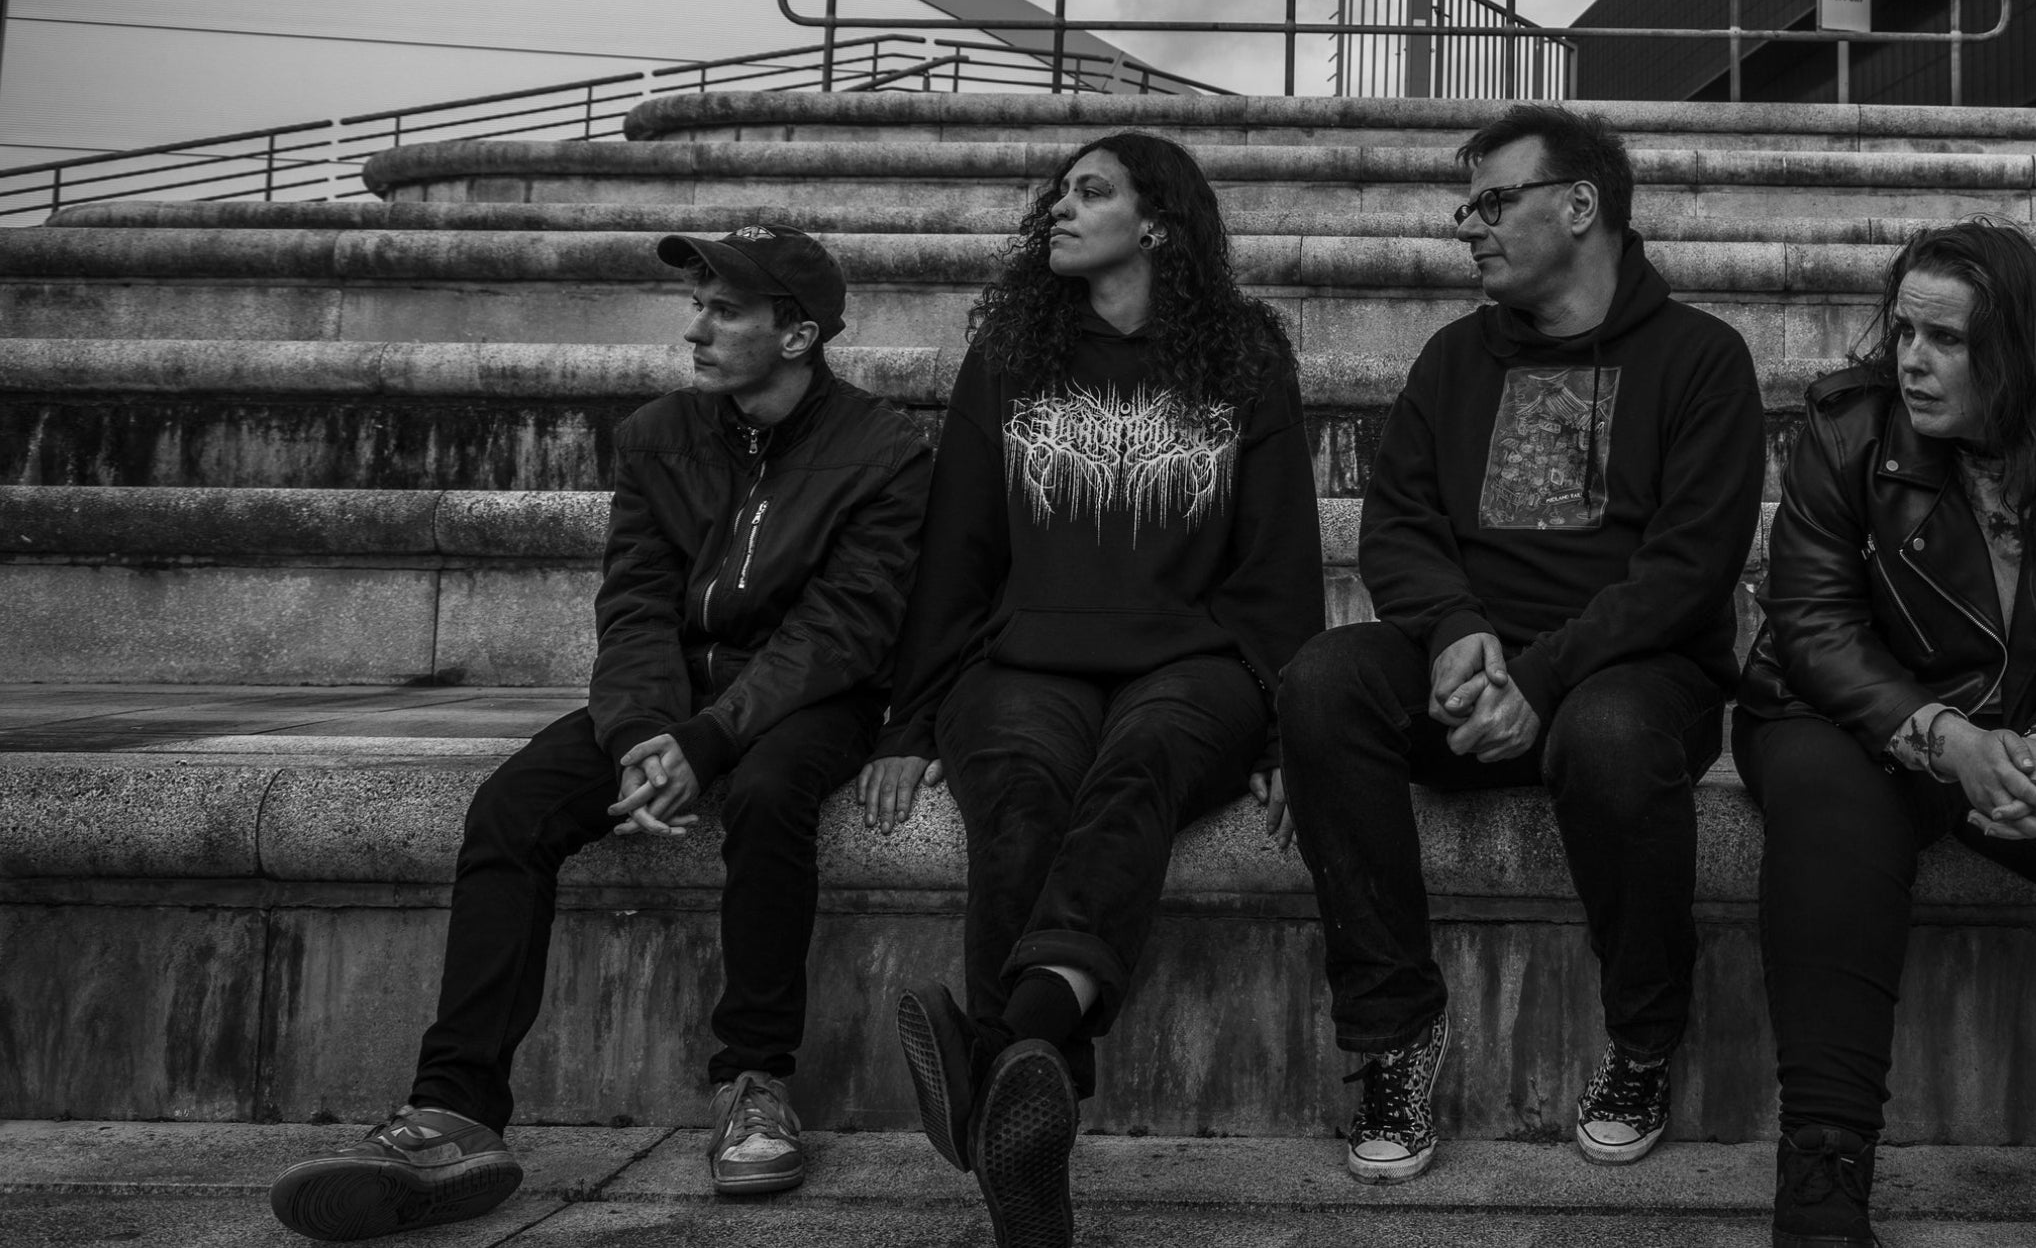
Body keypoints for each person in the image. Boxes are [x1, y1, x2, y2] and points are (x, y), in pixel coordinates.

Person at [267, 225, 932, 1240]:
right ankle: (455, 1110)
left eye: (724, 312)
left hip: (813, 700)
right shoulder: (659, 435)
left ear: (798, 335)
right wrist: (640, 737)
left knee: (767, 795)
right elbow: (634, 607)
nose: (694, 330)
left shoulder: (885, 451)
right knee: (513, 807)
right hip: (666, 698)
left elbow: (842, 629)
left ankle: (755, 1081)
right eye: (695, 306)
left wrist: (707, 743)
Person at [1276, 102, 1766, 1183]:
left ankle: (1642, 1040)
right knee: (1322, 681)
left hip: (1639, 678)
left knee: (1607, 731)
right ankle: (1393, 1035)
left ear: (1579, 205)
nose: (1469, 226)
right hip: (1472, 675)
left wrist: (1539, 678)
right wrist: (1456, 635)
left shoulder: (1700, 358)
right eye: (1469, 207)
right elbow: (1396, 526)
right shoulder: (1455, 359)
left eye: (1494, 202)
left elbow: (1686, 569)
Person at [859, 131, 1322, 1247]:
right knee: (1019, 793)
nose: (1059, 208)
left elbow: (1278, 558)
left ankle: (1000, 1049)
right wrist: (910, 720)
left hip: (1196, 662)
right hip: (1026, 660)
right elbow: (959, 548)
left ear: (1155, 221)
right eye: (1058, 192)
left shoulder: (1243, 355)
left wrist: (1283, 730)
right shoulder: (1013, 353)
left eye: (1091, 191)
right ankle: (1031, 1096)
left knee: (1139, 765)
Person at [1735, 218, 2036, 1248]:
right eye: (1903, 331)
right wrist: (1947, 741)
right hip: (1860, 720)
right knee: (1825, 804)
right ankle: (1822, 1167)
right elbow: (1812, 627)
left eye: (1945, 339)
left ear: (2014, 349)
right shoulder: (1846, 429)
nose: (1911, 360)